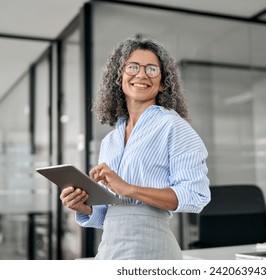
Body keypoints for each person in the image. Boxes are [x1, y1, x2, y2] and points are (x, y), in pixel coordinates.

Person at [59, 36, 211, 260]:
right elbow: (110, 212)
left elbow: (196, 195)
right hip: (110, 251)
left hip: (152, 251)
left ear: (162, 82)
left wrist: (129, 188)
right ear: (119, 77)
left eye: (152, 69)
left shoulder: (174, 127)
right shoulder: (110, 141)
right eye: (133, 67)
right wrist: (83, 206)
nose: (141, 75)